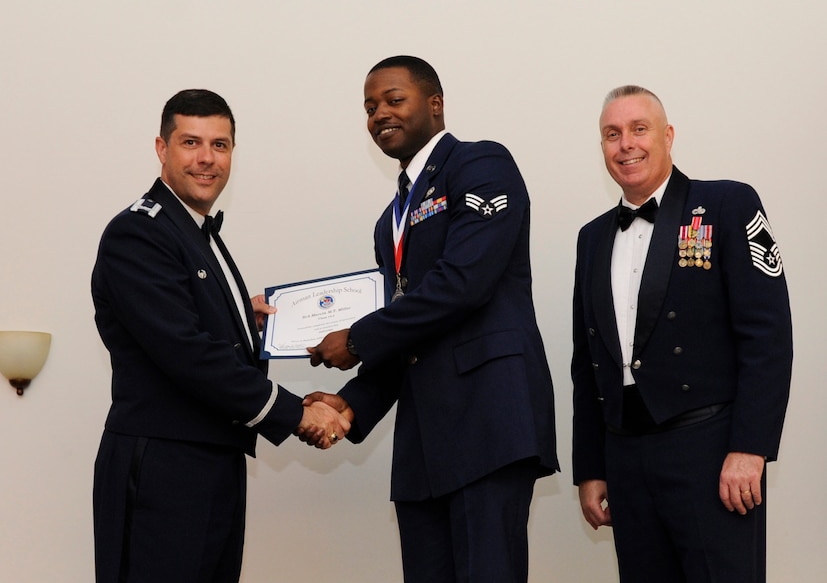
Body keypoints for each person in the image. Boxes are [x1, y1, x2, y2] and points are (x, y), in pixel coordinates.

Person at [303, 56, 559, 583]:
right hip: (424, 443)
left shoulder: (481, 164)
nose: (380, 114)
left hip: (488, 424)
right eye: (370, 107)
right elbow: (409, 328)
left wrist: (357, 337)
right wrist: (353, 403)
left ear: (435, 104)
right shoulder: (388, 220)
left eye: (394, 100)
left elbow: (462, 284)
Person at [91, 89, 350, 583]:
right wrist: (296, 413)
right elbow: (187, 352)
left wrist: (237, 316)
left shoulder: (191, 230)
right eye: (191, 142)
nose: (207, 158)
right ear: (161, 149)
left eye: (221, 144)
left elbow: (188, 322)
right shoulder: (138, 233)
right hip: (164, 466)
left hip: (212, 458)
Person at [571, 85, 793, 582]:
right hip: (625, 457)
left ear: (668, 136)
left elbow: (767, 335)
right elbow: (586, 362)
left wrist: (750, 447)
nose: (625, 144)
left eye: (638, 129)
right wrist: (591, 467)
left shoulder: (727, 204)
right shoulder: (592, 238)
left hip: (710, 451)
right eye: (612, 134)